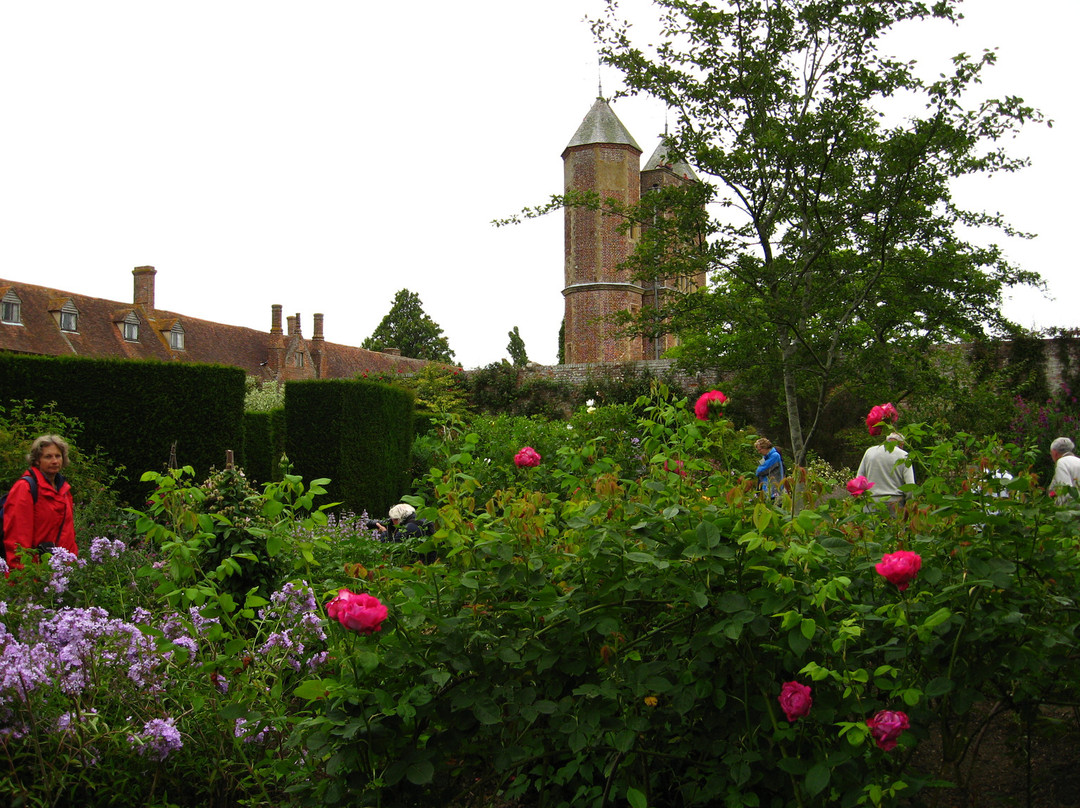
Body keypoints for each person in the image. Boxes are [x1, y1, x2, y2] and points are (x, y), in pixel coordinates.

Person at [3, 434, 78, 570]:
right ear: (37, 460)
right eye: (48, 457)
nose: (54, 461)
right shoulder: (25, 488)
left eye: (58, 456)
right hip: (34, 572)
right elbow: (17, 539)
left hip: (60, 572)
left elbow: (68, 535)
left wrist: (71, 567)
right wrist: (26, 576)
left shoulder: (64, 490)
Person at [856, 432, 915, 515]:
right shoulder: (904, 456)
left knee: (871, 523)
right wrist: (909, 502)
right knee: (894, 524)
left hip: (871, 501)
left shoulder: (870, 452)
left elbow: (859, 479)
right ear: (901, 443)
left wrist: (861, 498)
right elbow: (910, 485)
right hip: (895, 502)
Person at [1049, 437, 1080, 501]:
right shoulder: (1078, 460)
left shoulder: (1061, 463)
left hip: (1073, 505)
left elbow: (1065, 490)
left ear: (1054, 453)